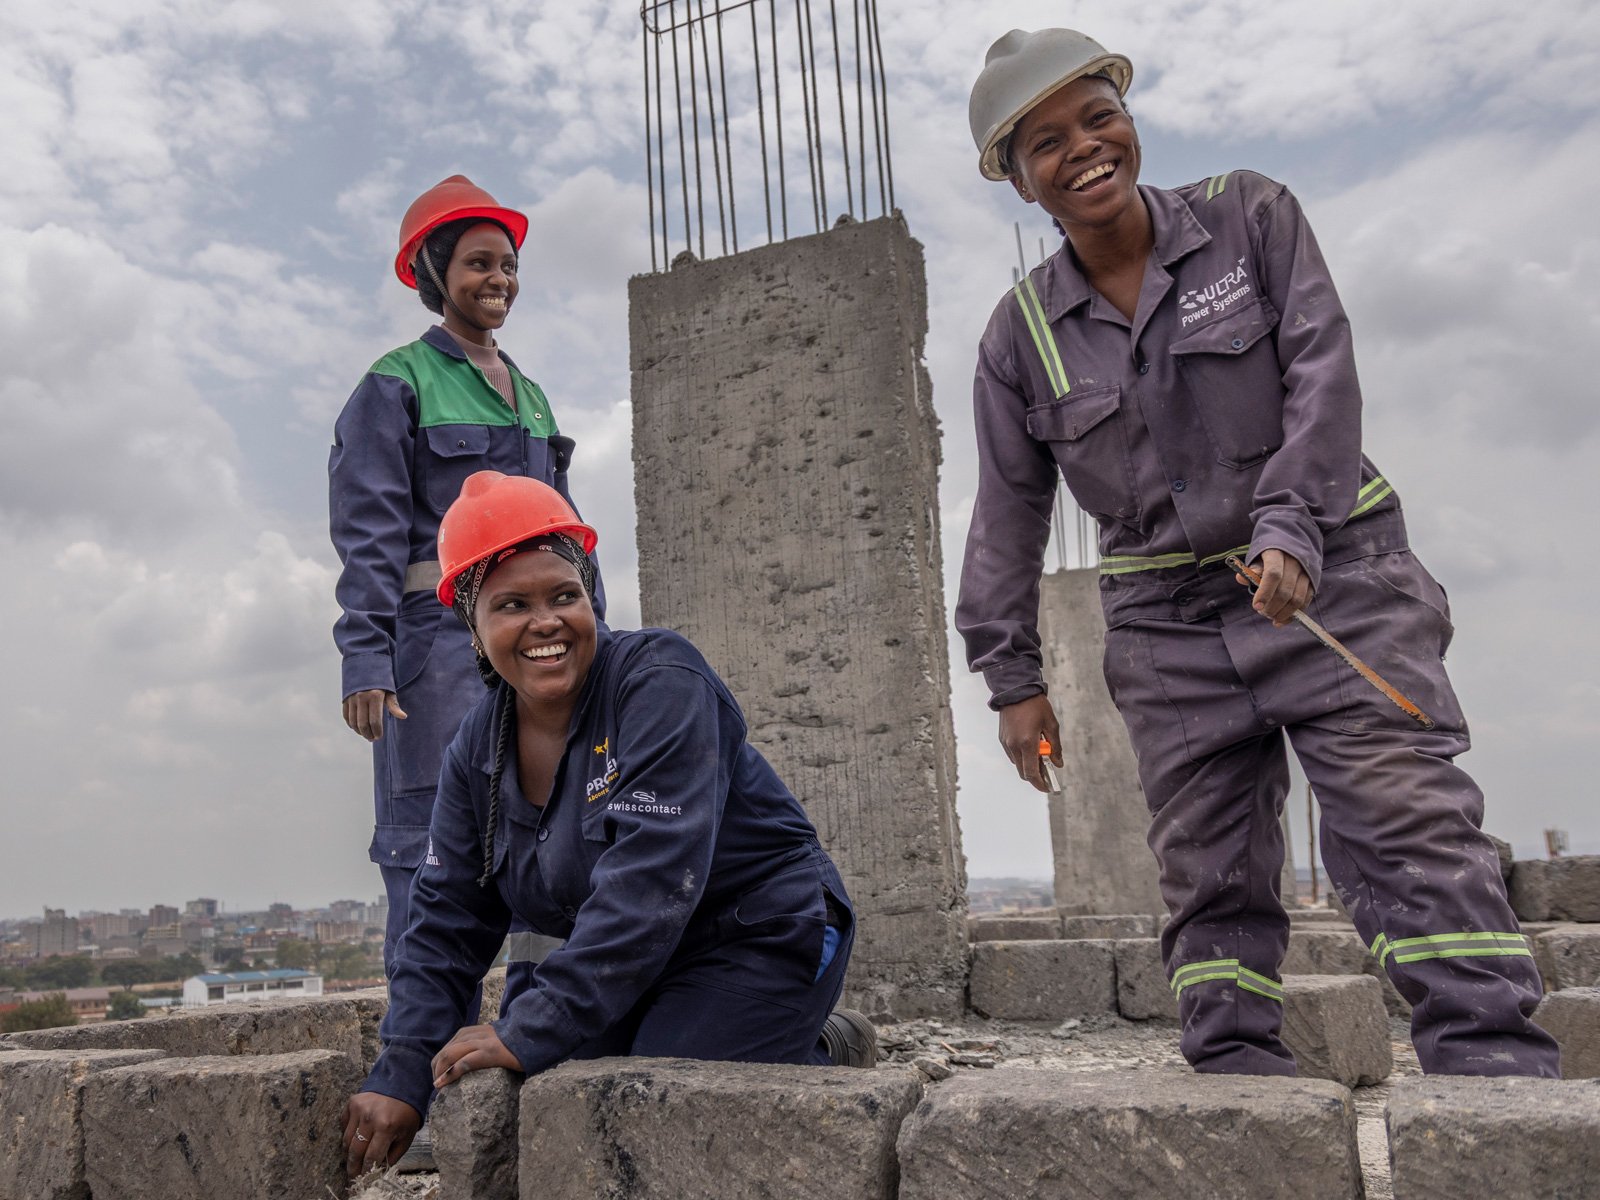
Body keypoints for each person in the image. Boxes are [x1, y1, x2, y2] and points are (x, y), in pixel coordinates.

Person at [957, 29, 1558, 1077]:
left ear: (1129, 122)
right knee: (1209, 871)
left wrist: (1289, 527)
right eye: (1046, 141)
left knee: (1401, 829)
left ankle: (1495, 1087)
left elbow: (1320, 375)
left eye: (1098, 116)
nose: (1084, 148)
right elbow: (1006, 509)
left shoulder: (1250, 216)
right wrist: (1012, 676)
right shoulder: (1021, 338)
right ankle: (1244, 1092)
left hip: (1338, 581)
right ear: (1017, 181)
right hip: (1166, 628)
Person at [341, 472, 872, 1175]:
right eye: (511, 605)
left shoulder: (659, 681)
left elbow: (651, 882)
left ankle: (819, 1044)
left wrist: (533, 1026)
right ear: (474, 627)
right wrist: (400, 1075)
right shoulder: (478, 751)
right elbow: (444, 925)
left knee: (653, 1100)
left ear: (591, 595)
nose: (546, 622)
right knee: (549, 1092)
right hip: (629, 964)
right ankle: (764, 1041)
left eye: (565, 594)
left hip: (757, 935)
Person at [329, 175, 602, 986]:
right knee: (430, 841)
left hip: (540, 648)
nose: (500, 280)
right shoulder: (397, 382)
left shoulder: (535, 396)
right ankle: (420, 1044)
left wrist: (600, 643)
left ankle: (542, 1026)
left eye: (509, 265)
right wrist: (365, 660)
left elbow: (568, 538)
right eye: (480, 263)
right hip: (435, 651)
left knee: (557, 824)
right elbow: (368, 531)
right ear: (437, 273)